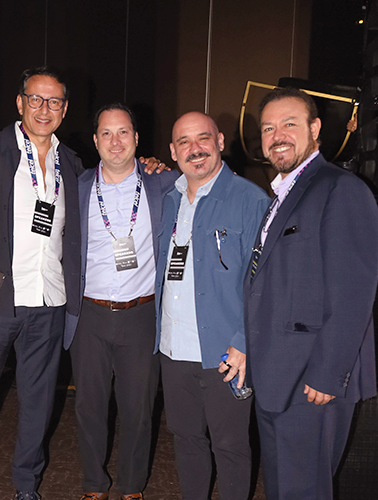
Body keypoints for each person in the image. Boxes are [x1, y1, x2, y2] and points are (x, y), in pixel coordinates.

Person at [244, 87, 378, 500]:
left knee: (303, 490)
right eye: (269, 127)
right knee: (285, 488)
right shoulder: (283, 193)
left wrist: (327, 373)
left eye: (289, 124)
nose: (277, 135)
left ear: (314, 128)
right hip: (276, 377)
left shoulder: (341, 190)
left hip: (311, 381)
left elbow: (354, 293)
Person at [0, 66, 82, 500]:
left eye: (53, 102)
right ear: (19, 102)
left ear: (64, 109)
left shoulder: (74, 163)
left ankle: (27, 486)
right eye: (35, 99)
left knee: (39, 404)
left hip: (49, 301)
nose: (43, 109)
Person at [65, 103, 179, 500]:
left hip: (142, 313)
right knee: (89, 408)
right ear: (95, 140)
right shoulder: (76, 187)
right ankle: (94, 484)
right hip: (89, 315)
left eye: (124, 132)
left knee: (138, 410)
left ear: (136, 138)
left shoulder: (164, 184)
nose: (116, 141)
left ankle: (132, 486)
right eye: (107, 134)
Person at [154, 112, 269, 499]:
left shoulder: (250, 199)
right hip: (173, 349)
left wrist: (245, 341)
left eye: (203, 138)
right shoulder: (169, 199)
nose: (195, 149)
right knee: (186, 440)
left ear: (220, 140)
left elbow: (267, 281)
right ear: (172, 152)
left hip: (226, 350)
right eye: (184, 142)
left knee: (231, 447)